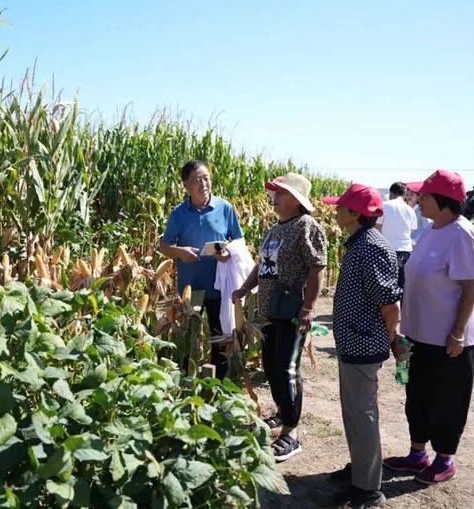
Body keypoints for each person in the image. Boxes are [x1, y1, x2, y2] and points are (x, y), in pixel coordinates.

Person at [383, 169, 474, 485]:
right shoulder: (428, 231)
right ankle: (416, 454)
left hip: (447, 341)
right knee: (417, 396)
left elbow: (471, 289)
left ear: (442, 201)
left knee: (446, 400)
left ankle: (445, 459)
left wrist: (456, 334)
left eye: (423, 195)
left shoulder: (461, 234)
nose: (417, 199)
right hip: (417, 336)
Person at [231, 173, 327, 462]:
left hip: (291, 312)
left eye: (281, 194)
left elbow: (316, 268)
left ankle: (292, 432)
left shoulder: (305, 226)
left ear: (297, 200)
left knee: (287, 370)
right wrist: (245, 288)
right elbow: (262, 266)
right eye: (275, 193)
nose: (275, 198)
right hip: (268, 313)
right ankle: (284, 413)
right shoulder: (274, 230)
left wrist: (308, 309)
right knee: (271, 367)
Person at [322, 183, 402, 508]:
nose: (335, 210)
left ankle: (369, 489)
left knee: (363, 414)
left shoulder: (371, 247)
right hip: (354, 342)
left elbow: (390, 305)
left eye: (341, 206)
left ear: (355, 213)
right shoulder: (359, 243)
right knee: (354, 413)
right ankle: (360, 471)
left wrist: (393, 338)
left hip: (364, 344)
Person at [159, 160, 244, 379]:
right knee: (188, 336)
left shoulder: (224, 208)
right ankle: (185, 380)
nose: (203, 183)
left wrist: (227, 253)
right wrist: (179, 252)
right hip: (190, 288)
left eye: (206, 178)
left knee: (219, 335)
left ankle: (219, 383)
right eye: (197, 180)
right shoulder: (179, 214)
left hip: (218, 286)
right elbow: (164, 246)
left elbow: (239, 241)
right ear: (186, 185)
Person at [376, 182, 417, 287]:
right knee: (401, 284)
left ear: (390, 193)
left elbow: (377, 228)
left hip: (387, 250)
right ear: (404, 194)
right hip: (406, 251)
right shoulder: (410, 210)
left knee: (386, 284)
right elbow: (411, 231)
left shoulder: (385, 206)